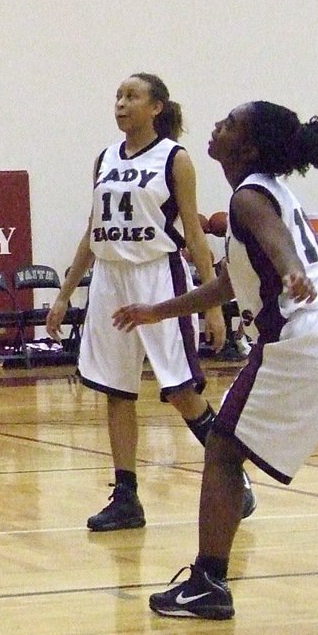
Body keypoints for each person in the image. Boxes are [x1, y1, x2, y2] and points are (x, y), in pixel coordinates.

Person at [113, 101, 318, 620]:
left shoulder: (249, 198)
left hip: (303, 341)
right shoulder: (270, 190)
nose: (216, 126)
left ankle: (207, 583)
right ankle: (206, 583)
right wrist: (157, 310)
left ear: (245, 147)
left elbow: (278, 244)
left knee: (223, 449)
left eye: (228, 124)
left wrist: (292, 270)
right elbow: (229, 284)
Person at [45, 73, 256, 532]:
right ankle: (126, 497)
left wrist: (211, 306)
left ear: (156, 107)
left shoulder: (175, 159)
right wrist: (64, 294)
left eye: (131, 97)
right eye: (117, 96)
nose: (121, 104)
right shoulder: (104, 158)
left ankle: (233, 475)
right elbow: (91, 228)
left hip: (157, 275)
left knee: (181, 390)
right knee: (116, 390)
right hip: (109, 279)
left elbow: (195, 235)